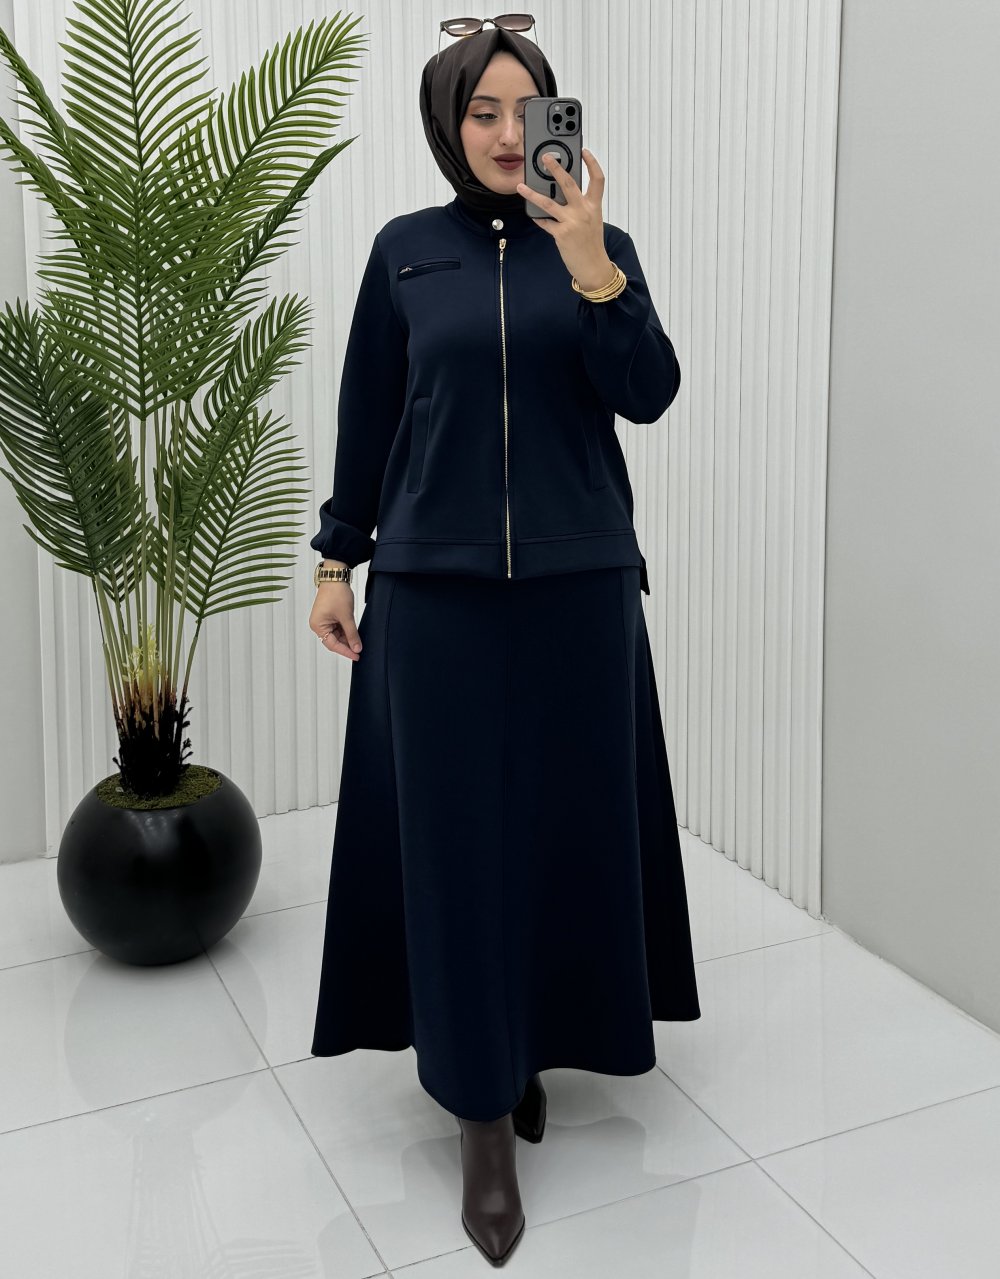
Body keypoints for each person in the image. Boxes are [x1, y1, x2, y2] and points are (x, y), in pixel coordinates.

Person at [306, 21, 701, 1268]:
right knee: (457, 845)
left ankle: (528, 1043)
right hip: (436, 596)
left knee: (562, 826)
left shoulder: (598, 246)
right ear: (447, 121)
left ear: (555, 124)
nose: (504, 131)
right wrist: (337, 556)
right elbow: (370, 411)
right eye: (481, 109)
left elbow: (647, 391)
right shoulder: (403, 252)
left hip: (581, 587)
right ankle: (480, 1109)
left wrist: (590, 265)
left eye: (527, 110)